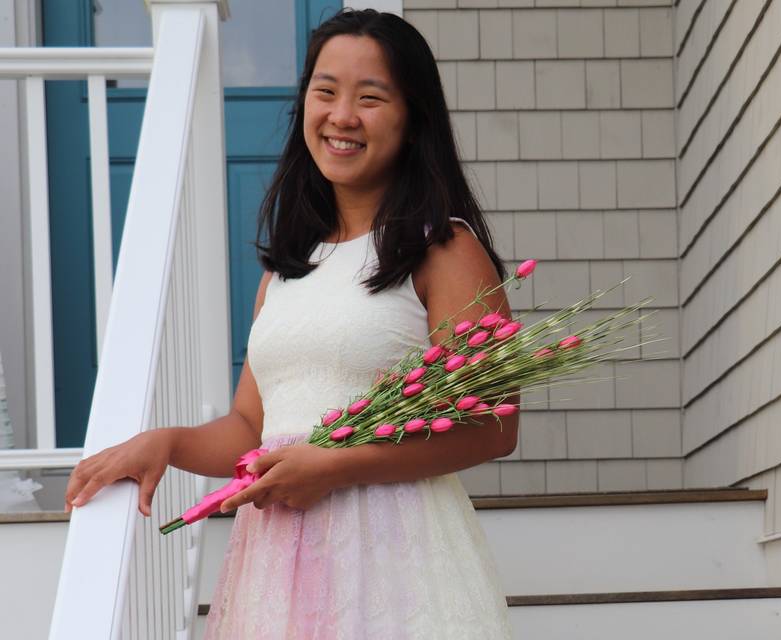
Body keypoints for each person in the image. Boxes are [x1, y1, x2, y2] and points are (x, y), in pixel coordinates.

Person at [64, 8, 518, 638]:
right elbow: (252, 426)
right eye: (325, 91)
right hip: (279, 562)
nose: (342, 116)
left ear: (413, 120)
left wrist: (335, 465)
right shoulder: (288, 269)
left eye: (371, 97)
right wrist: (165, 443)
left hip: (394, 560)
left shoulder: (444, 249)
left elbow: (493, 428)